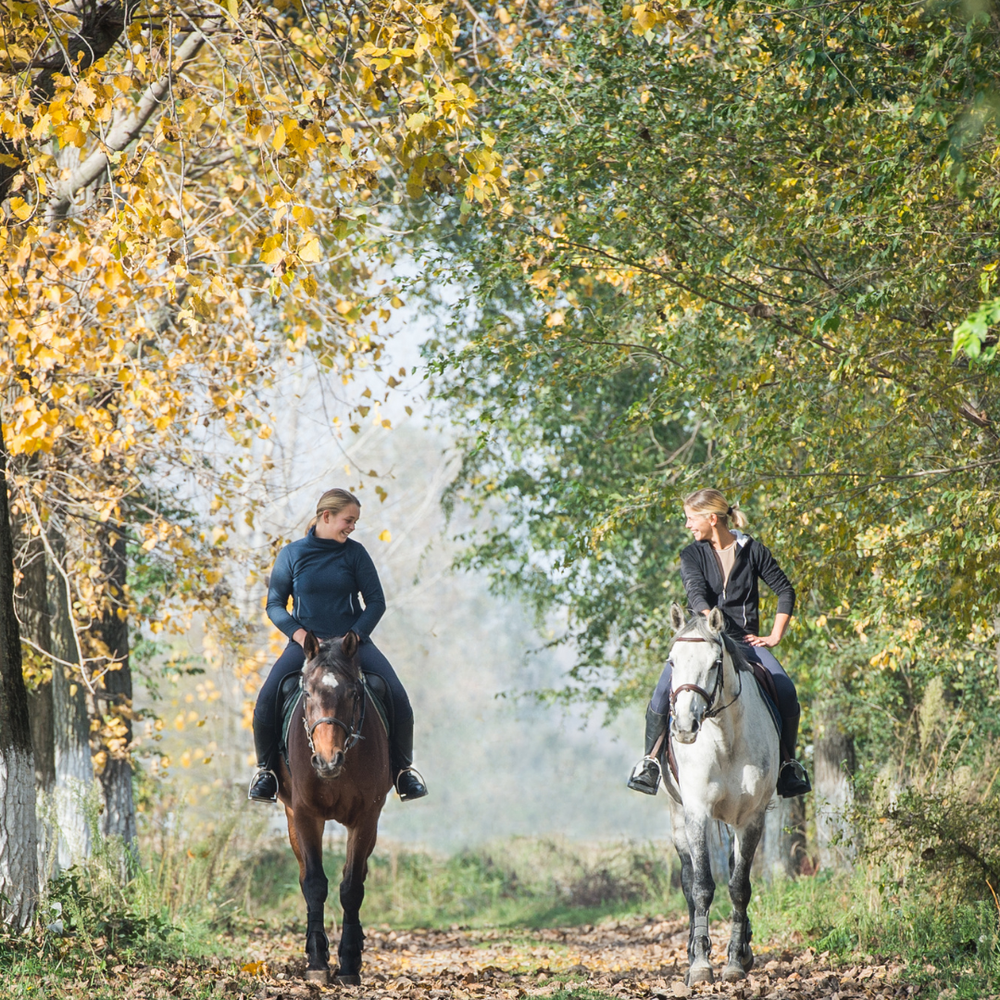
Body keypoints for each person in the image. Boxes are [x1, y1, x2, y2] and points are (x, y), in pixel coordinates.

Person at [627, 488, 811, 799]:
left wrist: (775, 634)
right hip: (704, 638)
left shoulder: (753, 550)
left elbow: (785, 590)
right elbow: (695, 592)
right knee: (661, 693)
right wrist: (708, 620)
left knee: (786, 690)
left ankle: (788, 766)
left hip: (745, 642)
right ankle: (650, 762)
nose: (687, 525)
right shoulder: (691, 554)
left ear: (712, 519)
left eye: (690, 519)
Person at [248, 488, 427, 803]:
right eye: (348, 520)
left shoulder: (355, 554)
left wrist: (355, 635)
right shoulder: (291, 555)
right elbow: (274, 604)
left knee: (398, 696)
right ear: (326, 516)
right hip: (308, 646)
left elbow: (375, 602)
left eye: (355, 521)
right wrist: (299, 635)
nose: (352, 527)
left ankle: (403, 772)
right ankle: (267, 774)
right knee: (266, 700)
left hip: (350, 645)